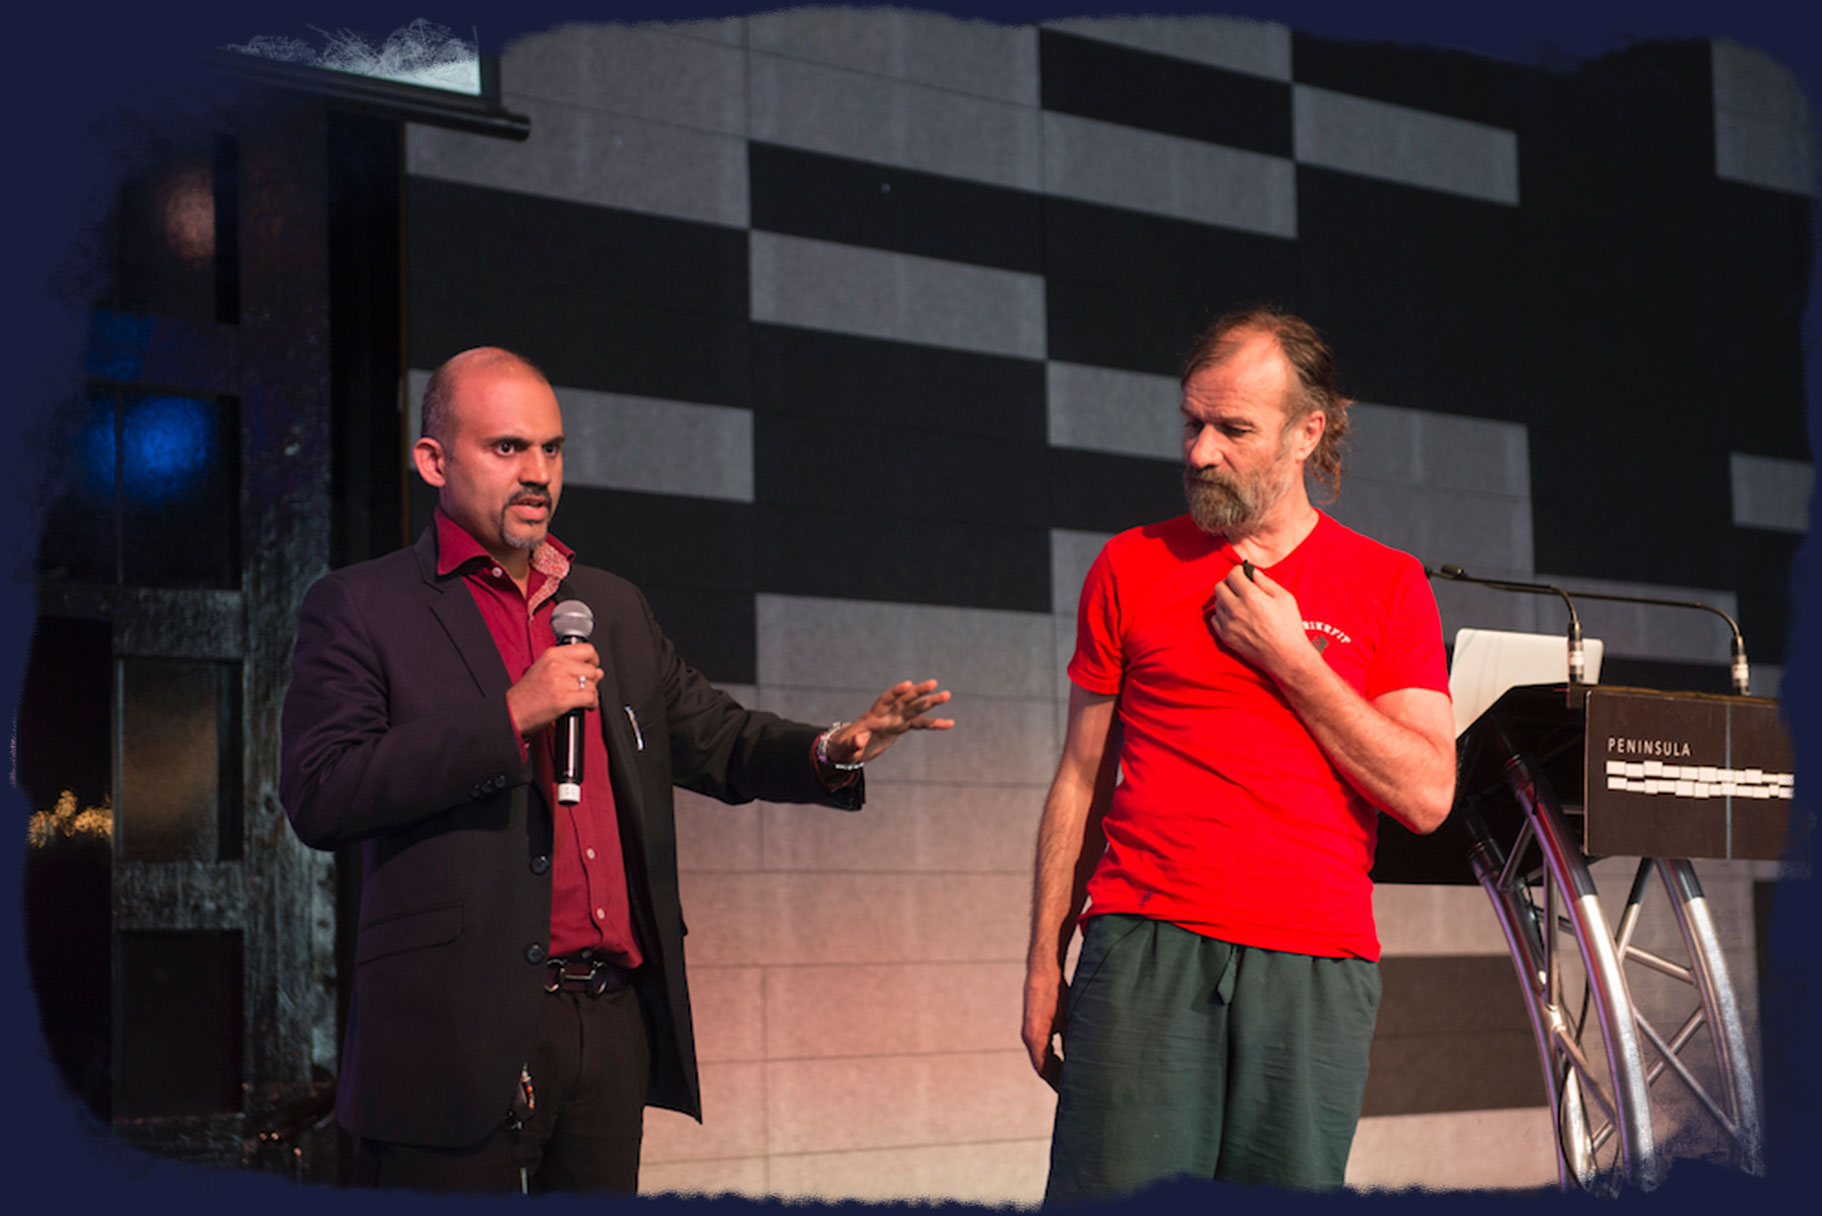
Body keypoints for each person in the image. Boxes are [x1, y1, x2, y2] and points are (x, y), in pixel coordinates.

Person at [280, 346, 953, 1194]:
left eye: (551, 449)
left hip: (606, 1019)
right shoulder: (363, 605)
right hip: (455, 1029)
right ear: (433, 461)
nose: (537, 473)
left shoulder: (607, 606)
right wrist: (508, 717)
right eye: (507, 448)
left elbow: (718, 738)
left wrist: (833, 749)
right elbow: (322, 790)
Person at [1021, 308, 1455, 1199]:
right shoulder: (1130, 565)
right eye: (1192, 423)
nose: (1200, 452)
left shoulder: (1388, 583)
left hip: (1316, 964)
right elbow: (1079, 779)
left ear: (1307, 433)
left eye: (1233, 429)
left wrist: (1295, 661)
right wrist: (1041, 960)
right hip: (1145, 947)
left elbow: (1425, 794)